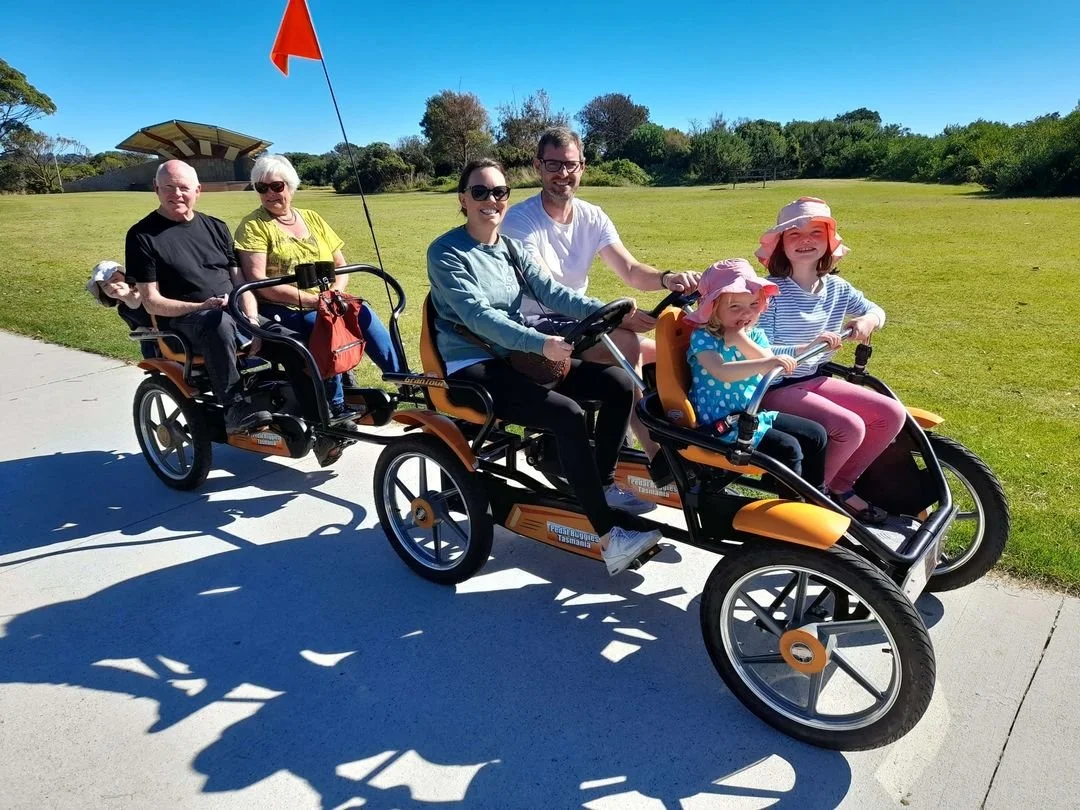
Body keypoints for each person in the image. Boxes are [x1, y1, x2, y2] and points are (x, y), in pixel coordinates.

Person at [428, 158, 662, 575]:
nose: (491, 200)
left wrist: (617, 312)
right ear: (462, 199)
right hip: (474, 364)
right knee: (567, 414)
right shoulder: (445, 251)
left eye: (499, 192)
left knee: (618, 383)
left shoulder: (511, 248)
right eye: (480, 192)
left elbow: (554, 292)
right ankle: (610, 540)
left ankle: (603, 485)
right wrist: (541, 343)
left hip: (517, 357)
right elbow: (479, 317)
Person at [501, 127, 700, 474]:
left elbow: (631, 269)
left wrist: (667, 278)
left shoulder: (592, 216)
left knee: (666, 352)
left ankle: (686, 441)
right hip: (536, 325)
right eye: (553, 165)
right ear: (537, 167)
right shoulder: (520, 221)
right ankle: (655, 456)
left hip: (577, 320)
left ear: (583, 167)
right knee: (625, 343)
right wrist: (616, 317)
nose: (562, 174)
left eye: (570, 165)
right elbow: (545, 290)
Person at [756, 197, 906, 524]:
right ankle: (810, 498)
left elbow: (875, 310)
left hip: (813, 378)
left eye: (815, 233)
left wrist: (868, 322)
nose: (806, 241)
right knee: (848, 426)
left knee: (891, 413)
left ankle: (840, 484)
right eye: (794, 234)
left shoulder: (837, 288)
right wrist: (807, 346)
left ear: (829, 242)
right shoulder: (770, 292)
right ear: (781, 244)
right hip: (774, 385)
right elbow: (761, 348)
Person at [234, 153, 403, 426]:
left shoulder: (312, 218)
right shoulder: (254, 225)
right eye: (261, 188)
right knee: (323, 323)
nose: (269, 194)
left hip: (325, 298)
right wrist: (314, 302)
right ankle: (334, 404)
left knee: (364, 312)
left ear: (290, 186)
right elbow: (258, 281)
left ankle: (402, 378)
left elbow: (341, 264)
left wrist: (333, 294)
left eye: (276, 186)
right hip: (281, 307)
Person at [125, 160, 271, 434]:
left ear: (198, 190)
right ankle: (235, 408)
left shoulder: (216, 227)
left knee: (288, 334)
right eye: (168, 187)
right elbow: (151, 301)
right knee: (217, 322)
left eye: (183, 187)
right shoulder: (142, 236)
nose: (176, 194)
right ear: (156, 189)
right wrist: (201, 306)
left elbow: (241, 283)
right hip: (185, 321)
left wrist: (253, 320)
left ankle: (322, 413)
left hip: (234, 313)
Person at [686, 259, 828, 489]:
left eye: (753, 305)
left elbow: (768, 359)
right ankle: (791, 507)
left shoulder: (755, 335)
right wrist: (756, 354)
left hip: (751, 416)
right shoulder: (703, 338)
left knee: (816, 435)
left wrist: (812, 344)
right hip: (722, 426)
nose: (747, 313)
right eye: (735, 307)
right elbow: (721, 371)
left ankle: (818, 495)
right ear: (712, 309)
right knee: (788, 448)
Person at [85, 260, 157, 359]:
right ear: (103, 292)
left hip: (172, 339)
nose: (111, 286)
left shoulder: (147, 296)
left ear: (127, 278)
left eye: (115, 280)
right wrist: (144, 332)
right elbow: (135, 328)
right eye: (105, 285)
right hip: (152, 347)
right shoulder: (123, 310)